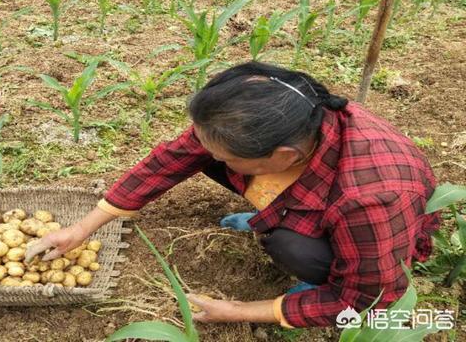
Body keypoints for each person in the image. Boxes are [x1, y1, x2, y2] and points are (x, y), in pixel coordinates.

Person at [25, 61, 440, 328]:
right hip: (307, 188)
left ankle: (305, 250)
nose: (203, 151)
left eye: (227, 156)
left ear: (283, 156)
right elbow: (172, 158)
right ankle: (275, 207)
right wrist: (83, 227)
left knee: (292, 247)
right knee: (205, 155)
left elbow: (369, 300)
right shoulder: (275, 114)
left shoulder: (370, 199)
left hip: (372, 241)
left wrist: (242, 311)